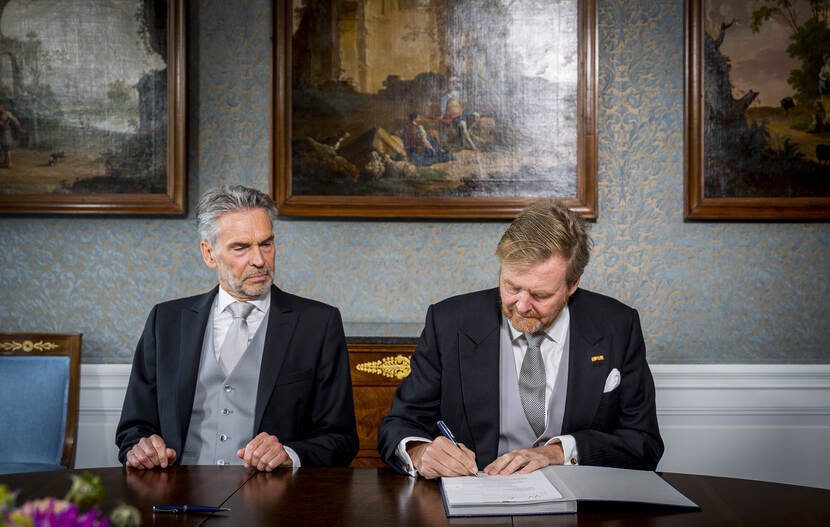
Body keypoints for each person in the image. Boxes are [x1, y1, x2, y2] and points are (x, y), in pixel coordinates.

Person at [378, 200, 663, 478]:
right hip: (477, 507)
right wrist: (419, 451)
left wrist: (561, 452)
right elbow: (400, 423)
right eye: (512, 287)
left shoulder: (617, 326)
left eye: (540, 295)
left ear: (573, 283)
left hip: (580, 514)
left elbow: (644, 444)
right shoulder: (449, 323)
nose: (522, 305)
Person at [116, 185, 358, 470]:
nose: (259, 260)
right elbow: (133, 430)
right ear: (209, 254)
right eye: (241, 248)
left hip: (271, 504)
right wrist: (140, 449)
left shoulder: (319, 324)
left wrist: (289, 455)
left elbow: (341, 440)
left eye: (266, 244)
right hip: (178, 498)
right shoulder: (165, 321)